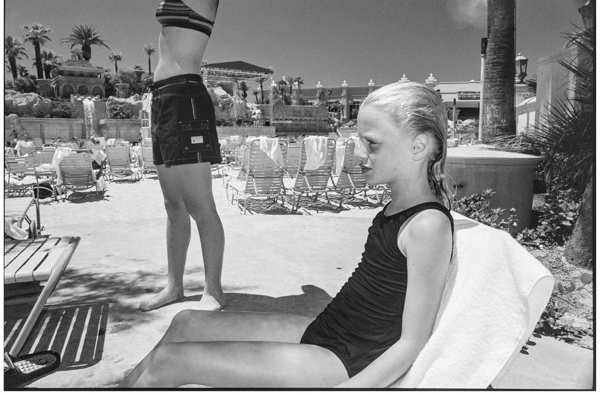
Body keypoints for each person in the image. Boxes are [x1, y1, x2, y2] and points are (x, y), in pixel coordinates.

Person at [121, 82, 455, 388]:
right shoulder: (395, 208)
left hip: (344, 359)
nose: (358, 153)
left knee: (169, 362)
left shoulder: (427, 225)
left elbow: (412, 343)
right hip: (327, 329)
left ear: (418, 147)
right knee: (186, 322)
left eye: (372, 143)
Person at [138, 0, 226, 312]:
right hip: (162, 99)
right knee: (173, 205)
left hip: (184, 96)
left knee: (199, 204)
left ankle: (214, 290)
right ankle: (174, 287)